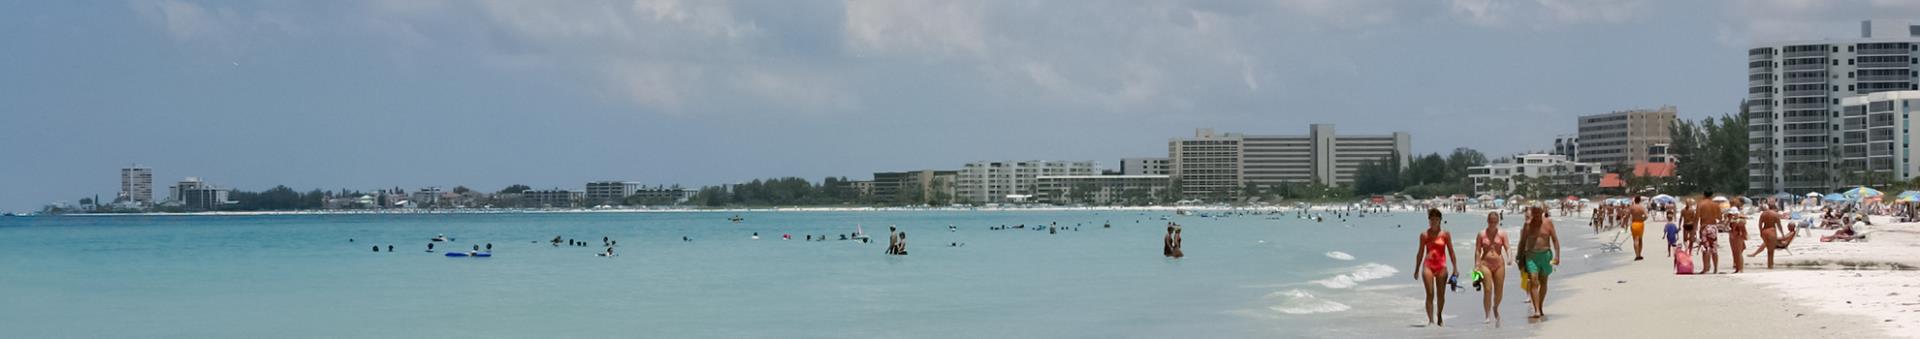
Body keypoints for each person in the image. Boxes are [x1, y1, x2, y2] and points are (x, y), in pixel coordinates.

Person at [1414, 208, 1458, 327]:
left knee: (1440, 295)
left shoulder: (1445, 234)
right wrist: (1417, 269)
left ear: (1440, 220)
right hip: (1428, 265)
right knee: (1430, 293)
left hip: (1441, 266)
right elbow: (1420, 252)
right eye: (1431, 219)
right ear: (1429, 220)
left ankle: (1439, 316)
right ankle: (1431, 321)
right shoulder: (1424, 235)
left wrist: (1455, 268)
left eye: (1436, 219)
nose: (1433, 221)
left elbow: (1451, 252)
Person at [1516, 205, 1560, 319]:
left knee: (1544, 281)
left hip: (1545, 255)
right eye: (1534, 212)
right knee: (1534, 280)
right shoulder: (1527, 225)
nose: (1535, 215)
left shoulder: (1548, 223)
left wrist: (1557, 256)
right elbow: (1522, 241)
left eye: (1538, 213)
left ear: (1542, 212)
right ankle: (1536, 310)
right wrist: (1519, 256)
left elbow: (1555, 240)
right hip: (1531, 255)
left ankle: (1540, 306)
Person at [1475, 211, 1510, 326]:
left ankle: (1495, 307)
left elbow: (1507, 247)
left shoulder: (1502, 234)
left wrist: (1510, 258)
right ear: (1488, 221)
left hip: (1499, 264)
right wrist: (1476, 265)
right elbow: (1477, 250)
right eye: (1491, 221)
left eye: (1495, 221)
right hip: (1485, 264)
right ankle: (1487, 315)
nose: (1492, 224)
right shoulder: (1481, 234)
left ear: (1498, 221)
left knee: (1499, 291)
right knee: (1488, 289)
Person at [1747, 203, 1800, 269]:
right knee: (1770, 251)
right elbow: (1779, 226)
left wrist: (1761, 232)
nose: (1788, 227)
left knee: (1766, 244)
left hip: (1765, 231)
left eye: (1789, 226)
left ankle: (1757, 256)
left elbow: (1760, 224)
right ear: (1775, 208)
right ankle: (1770, 265)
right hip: (1772, 231)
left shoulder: (1763, 214)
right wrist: (1782, 233)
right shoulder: (1775, 215)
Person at [1697, 193, 1723, 274]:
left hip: (1704, 227)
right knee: (1714, 249)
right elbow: (1720, 218)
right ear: (1712, 196)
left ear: (1704, 195)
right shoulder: (1716, 205)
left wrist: (1694, 231)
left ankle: (1706, 268)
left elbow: (1696, 217)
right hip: (1713, 227)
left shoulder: (1701, 204)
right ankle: (1715, 269)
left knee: (1705, 248)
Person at [1630, 196, 1649, 261]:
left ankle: (1637, 255)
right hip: (1640, 223)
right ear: (1640, 201)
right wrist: (1642, 219)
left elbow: (1627, 215)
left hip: (1634, 223)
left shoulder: (1632, 207)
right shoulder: (1642, 207)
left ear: (1634, 200)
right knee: (1640, 239)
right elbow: (1646, 216)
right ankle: (1640, 254)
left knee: (1635, 239)